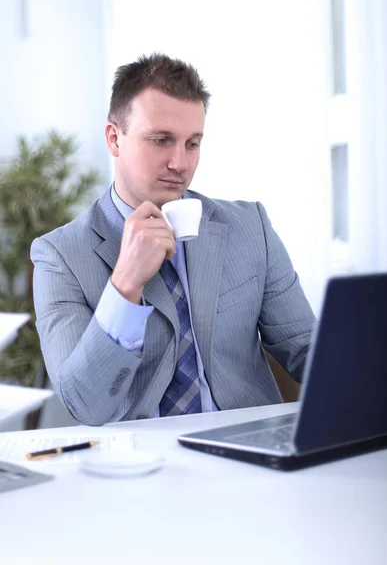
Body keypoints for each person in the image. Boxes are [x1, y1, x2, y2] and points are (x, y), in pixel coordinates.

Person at [31, 54, 316, 426]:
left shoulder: (251, 228)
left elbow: (309, 350)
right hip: (140, 467)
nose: (180, 163)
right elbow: (85, 405)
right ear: (115, 139)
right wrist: (126, 285)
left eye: (192, 144)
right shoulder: (60, 256)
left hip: (250, 452)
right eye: (162, 140)